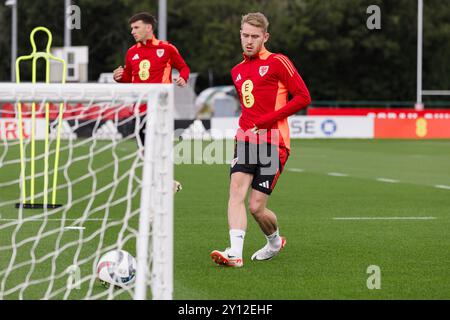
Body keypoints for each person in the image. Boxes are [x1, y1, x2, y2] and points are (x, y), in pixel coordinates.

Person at [210, 12, 311, 267]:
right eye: (245, 35)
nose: (249, 41)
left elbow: (303, 97)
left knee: (256, 207)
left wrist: (268, 120)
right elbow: (249, 109)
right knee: (236, 193)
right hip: (245, 138)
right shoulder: (237, 71)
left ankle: (275, 242)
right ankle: (235, 253)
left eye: (255, 36)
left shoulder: (278, 62)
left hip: (274, 142)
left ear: (265, 37)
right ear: (240, 35)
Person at [113, 12, 190, 193]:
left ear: (149, 28)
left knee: (154, 149)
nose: (132, 31)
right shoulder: (132, 52)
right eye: (131, 28)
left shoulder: (167, 49)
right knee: (146, 152)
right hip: (138, 110)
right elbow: (129, 77)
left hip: (159, 109)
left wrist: (183, 78)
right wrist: (118, 76)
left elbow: (184, 67)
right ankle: (165, 182)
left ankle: (158, 186)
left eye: (136, 27)